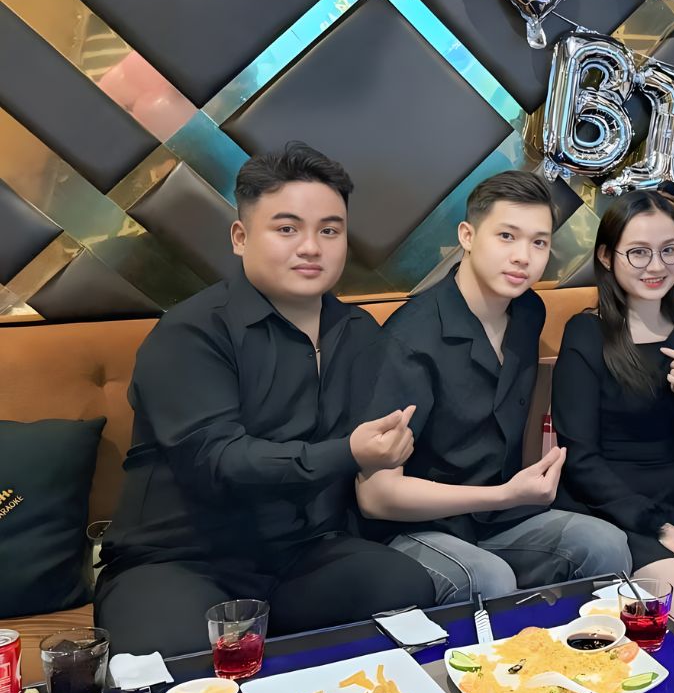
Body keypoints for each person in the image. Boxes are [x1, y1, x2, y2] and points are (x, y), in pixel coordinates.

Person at [94, 143, 435, 656]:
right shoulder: (190, 332)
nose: (311, 247)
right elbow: (218, 460)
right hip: (179, 557)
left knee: (402, 588)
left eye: (330, 231)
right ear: (240, 237)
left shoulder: (359, 332)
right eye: (287, 229)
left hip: (299, 554)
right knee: (179, 660)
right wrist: (348, 452)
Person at [356, 171, 631, 603]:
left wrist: (518, 489)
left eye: (538, 242)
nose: (523, 257)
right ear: (467, 236)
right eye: (506, 236)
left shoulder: (527, 312)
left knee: (607, 544)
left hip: (494, 515)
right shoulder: (410, 339)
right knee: (491, 578)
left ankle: (573, 648)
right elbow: (376, 496)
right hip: (414, 527)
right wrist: (504, 494)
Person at [552, 191, 674, 620]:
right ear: (607, 256)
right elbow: (579, 459)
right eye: (639, 252)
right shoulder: (587, 333)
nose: (657, 266)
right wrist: (658, 526)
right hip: (615, 509)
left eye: (668, 250)